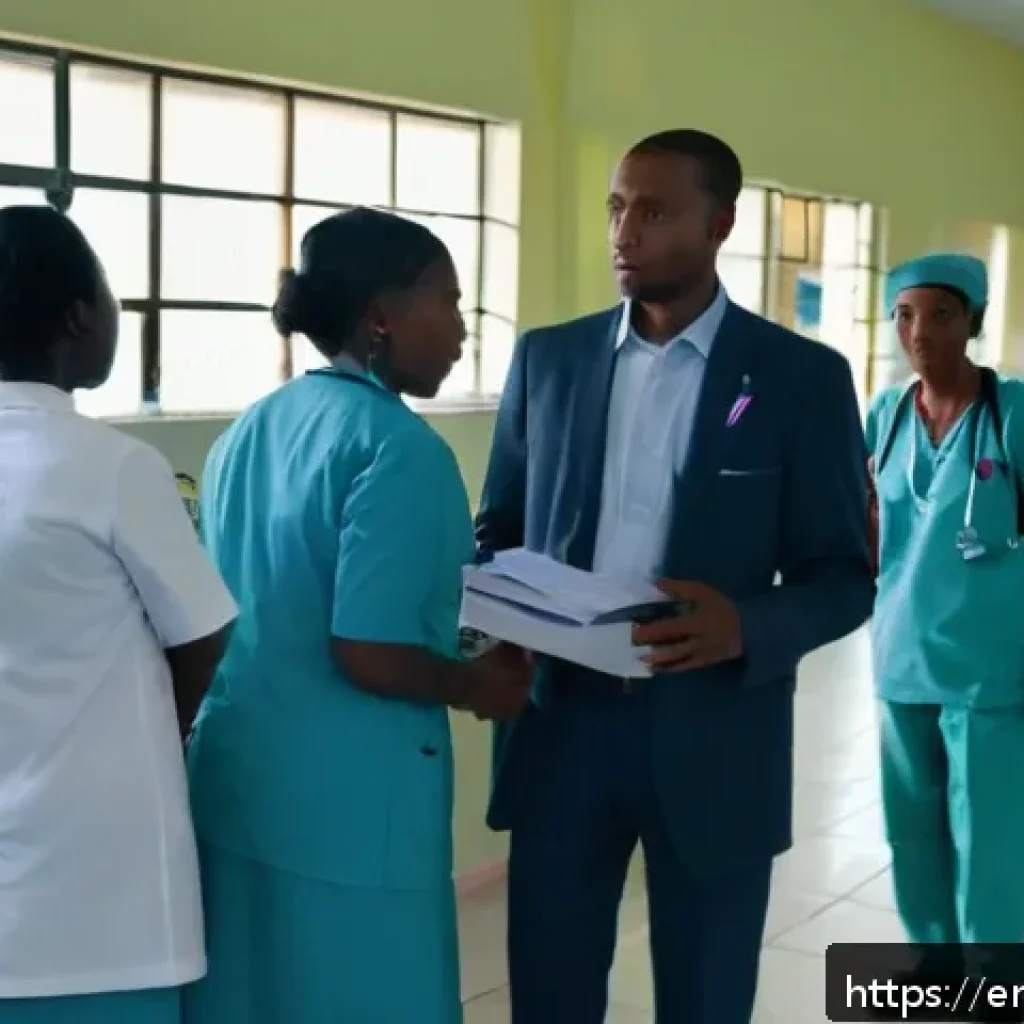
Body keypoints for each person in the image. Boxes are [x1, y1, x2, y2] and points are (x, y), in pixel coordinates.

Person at [477, 129, 875, 1024]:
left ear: (719, 224)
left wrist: (746, 625)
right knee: (549, 991)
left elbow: (843, 577)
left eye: (654, 212)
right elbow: (497, 531)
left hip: (716, 730)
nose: (625, 232)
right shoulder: (550, 360)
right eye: (617, 208)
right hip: (562, 729)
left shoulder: (799, 379)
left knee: (705, 996)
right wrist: (490, 635)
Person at [184, 207, 532, 1024]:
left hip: (237, 787)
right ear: (381, 316)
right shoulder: (398, 448)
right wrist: (482, 686)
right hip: (350, 815)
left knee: (250, 999)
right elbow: (370, 649)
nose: (461, 327)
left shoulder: (251, 428)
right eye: (447, 300)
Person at [0, 205, 237, 1023]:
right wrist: (151, 733)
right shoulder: (114, 468)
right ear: (77, 317)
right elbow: (204, 635)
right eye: (108, 294)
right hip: (97, 885)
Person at [866, 254, 1024, 955]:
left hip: (990, 670)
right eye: (904, 315)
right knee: (912, 834)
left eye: (940, 314)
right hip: (901, 660)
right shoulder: (886, 415)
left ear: (973, 321)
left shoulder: (1011, 412)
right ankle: (932, 966)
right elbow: (867, 521)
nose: (920, 332)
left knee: (989, 845)